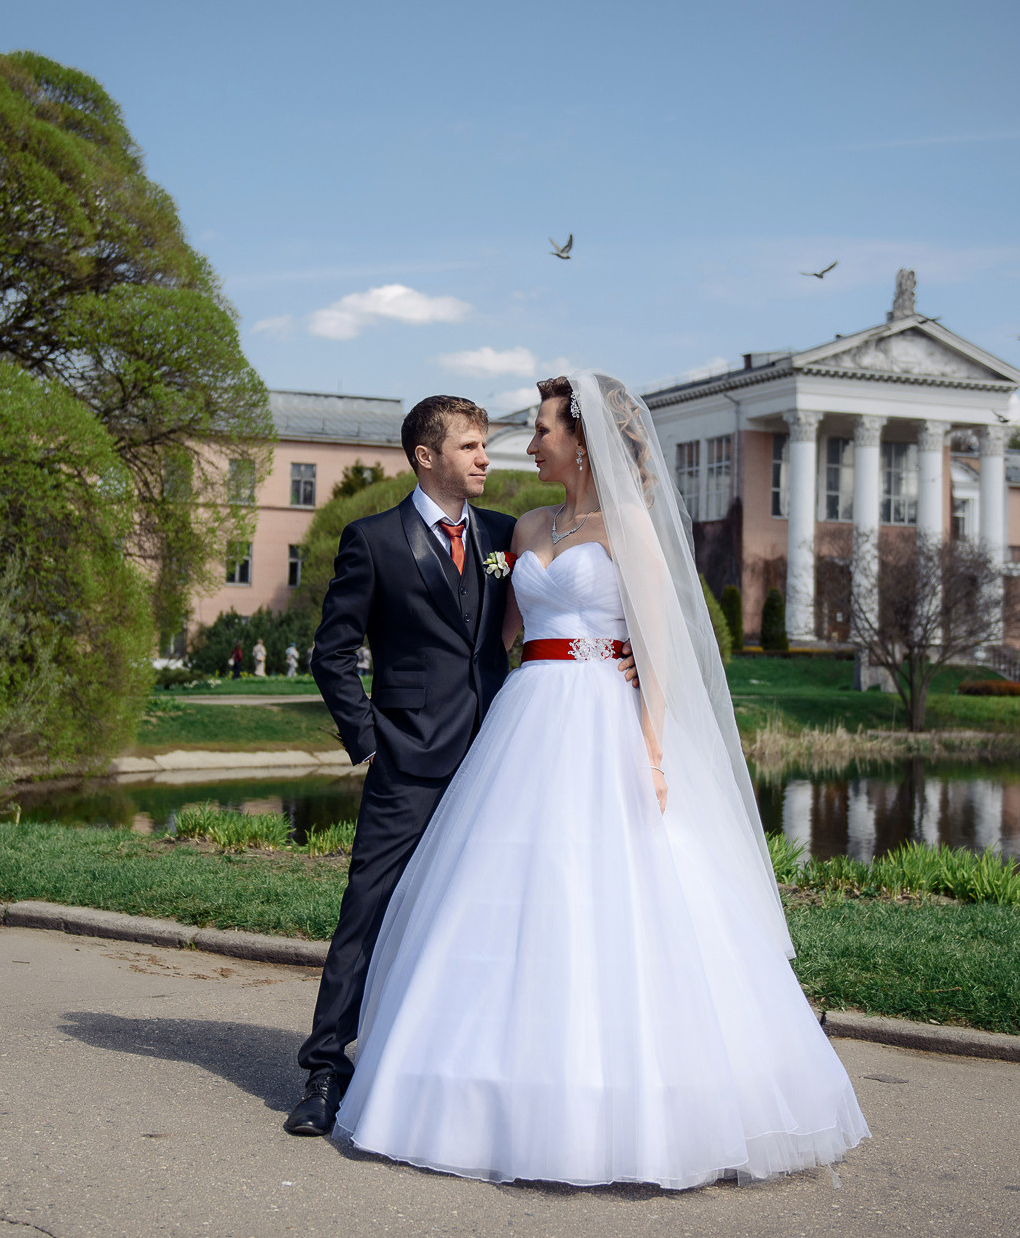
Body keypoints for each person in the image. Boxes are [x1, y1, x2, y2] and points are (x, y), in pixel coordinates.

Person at [329, 372, 868, 1188]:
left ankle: (625, 1101)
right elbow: (499, 628)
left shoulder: (631, 531)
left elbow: (659, 653)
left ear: (582, 440)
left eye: (543, 428)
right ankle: (474, 1084)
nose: (530, 441)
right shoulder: (529, 525)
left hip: (604, 724)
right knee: (505, 896)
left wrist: (651, 753)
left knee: (610, 898)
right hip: (525, 720)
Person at [286, 394, 637, 1137]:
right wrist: (369, 739)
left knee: (486, 913)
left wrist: (618, 655)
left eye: (487, 444)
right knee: (369, 908)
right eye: (471, 446)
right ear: (426, 455)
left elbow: (552, 610)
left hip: (503, 758)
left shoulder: (511, 533)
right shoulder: (372, 539)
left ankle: (444, 1063)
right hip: (407, 757)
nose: (486, 457)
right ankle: (324, 1067)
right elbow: (333, 651)